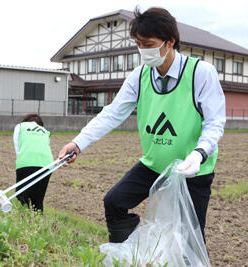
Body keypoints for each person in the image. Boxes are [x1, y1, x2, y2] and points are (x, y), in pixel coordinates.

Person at [59, 7, 226, 243]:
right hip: (154, 165)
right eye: (138, 44)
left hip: (192, 170)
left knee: (191, 239)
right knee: (114, 202)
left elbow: (215, 122)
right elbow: (112, 114)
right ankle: (133, 254)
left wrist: (199, 154)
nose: (143, 51)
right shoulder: (140, 76)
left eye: (148, 44)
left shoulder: (201, 73)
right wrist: (78, 143)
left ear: (170, 42)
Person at [13, 114, 54, 213]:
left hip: (26, 161)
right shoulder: (45, 131)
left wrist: (21, 159)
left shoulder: (20, 126)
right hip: (47, 164)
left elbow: (17, 146)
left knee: (21, 195)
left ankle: (23, 218)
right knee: (38, 199)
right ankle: (38, 222)